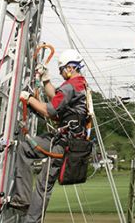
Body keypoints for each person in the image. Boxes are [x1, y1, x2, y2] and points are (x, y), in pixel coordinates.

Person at [11, 49, 90, 222]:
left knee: (43, 183)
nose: (61, 74)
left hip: (66, 143)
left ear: (70, 68)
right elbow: (57, 100)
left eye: (62, 70)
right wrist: (46, 80)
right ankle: (22, 199)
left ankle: (31, 218)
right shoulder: (79, 84)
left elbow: (50, 110)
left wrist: (28, 98)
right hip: (65, 139)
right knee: (25, 149)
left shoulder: (71, 86)